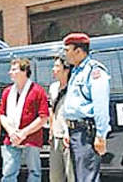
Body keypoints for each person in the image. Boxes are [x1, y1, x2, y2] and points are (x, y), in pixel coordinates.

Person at [63, 32, 110, 182]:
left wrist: (101, 135)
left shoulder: (94, 71)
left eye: (67, 50)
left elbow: (101, 105)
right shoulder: (76, 71)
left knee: (87, 177)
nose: (65, 54)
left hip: (85, 132)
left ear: (78, 51)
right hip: (75, 131)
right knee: (80, 176)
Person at [0, 58, 49, 182]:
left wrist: (23, 133)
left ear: (24, 71)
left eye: (14, 69)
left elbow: (43, 118)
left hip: (31, 139)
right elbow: (2, 115)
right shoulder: (7, 92)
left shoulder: (38, 91)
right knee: (8, 172)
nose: (10, 72)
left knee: (34, 173)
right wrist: (11, 131)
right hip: (11, 138)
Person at [49, 54, 75, 182]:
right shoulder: (53, 88)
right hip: (56, 136)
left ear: (66, 69)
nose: (53, 69)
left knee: (72, 175)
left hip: (69, 136)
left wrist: (68, 132)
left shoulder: (74, 88)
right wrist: (51, 128)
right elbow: (52, 109)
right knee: (55, 176)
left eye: (57, 66)